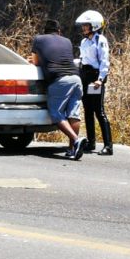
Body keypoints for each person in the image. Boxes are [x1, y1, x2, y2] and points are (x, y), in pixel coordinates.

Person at [29, 19, 86, 160]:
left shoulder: (38, 39)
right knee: (73, 113)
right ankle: (72, 148)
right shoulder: (66, 41)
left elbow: (35, 61)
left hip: (59, 80)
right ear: (59, 31)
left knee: (56, 113)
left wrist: (35, 60)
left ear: (45, 30)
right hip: (76, 78)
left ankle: (76, 139)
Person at [76, 10, 113, 155]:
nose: (84, 28)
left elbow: (104, 61)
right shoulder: (84, 42)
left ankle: (108, 146)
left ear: (95, 25)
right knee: (88, 111)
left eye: (86, 25)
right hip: (85, 76)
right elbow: (82, 60)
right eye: (84, 25)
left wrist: (101, 79)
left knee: (99, 111)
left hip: (95, 77)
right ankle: (91, 143)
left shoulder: (100, 40)